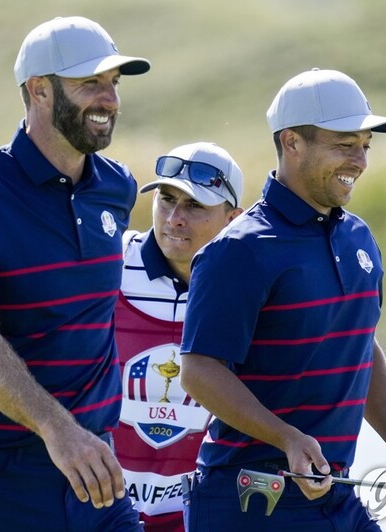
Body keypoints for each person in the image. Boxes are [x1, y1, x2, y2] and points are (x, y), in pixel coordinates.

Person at [179, 69, 386, 531]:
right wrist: (285, 437)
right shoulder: (240, 249)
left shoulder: (359, 238)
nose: (360, 160)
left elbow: (360, 348)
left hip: (335, 498)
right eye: (344, 145)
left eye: (365, 145)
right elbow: (198, 371)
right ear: (292, 143)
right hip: (247, 506)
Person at [0, 16, 150, 531]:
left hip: (93, 474)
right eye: (90, 83)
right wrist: (57, 430)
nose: (109, 98)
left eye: (114, 83)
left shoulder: (117, 188)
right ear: (38, 90)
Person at [112, 142, 244, 530]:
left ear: (233, 218)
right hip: (96, 512)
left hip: (195, 518)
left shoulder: (252, 286)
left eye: (195, 206)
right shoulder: (109, 263)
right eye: (167, 199)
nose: (174, 218)